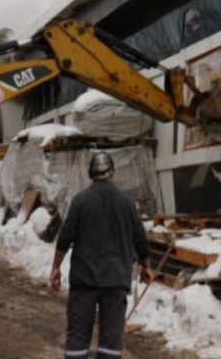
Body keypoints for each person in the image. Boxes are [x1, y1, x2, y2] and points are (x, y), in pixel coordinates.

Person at [51, 151, 151, 359]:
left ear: (91, 174)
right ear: (112, 172)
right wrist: (146, 266)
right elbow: (140, 238)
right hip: (115, 282)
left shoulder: (80, 201)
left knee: (78, 340)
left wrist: (56, 267)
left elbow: (65, 237)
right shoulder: (127, 203)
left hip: (84, 282)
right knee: (111, 343)